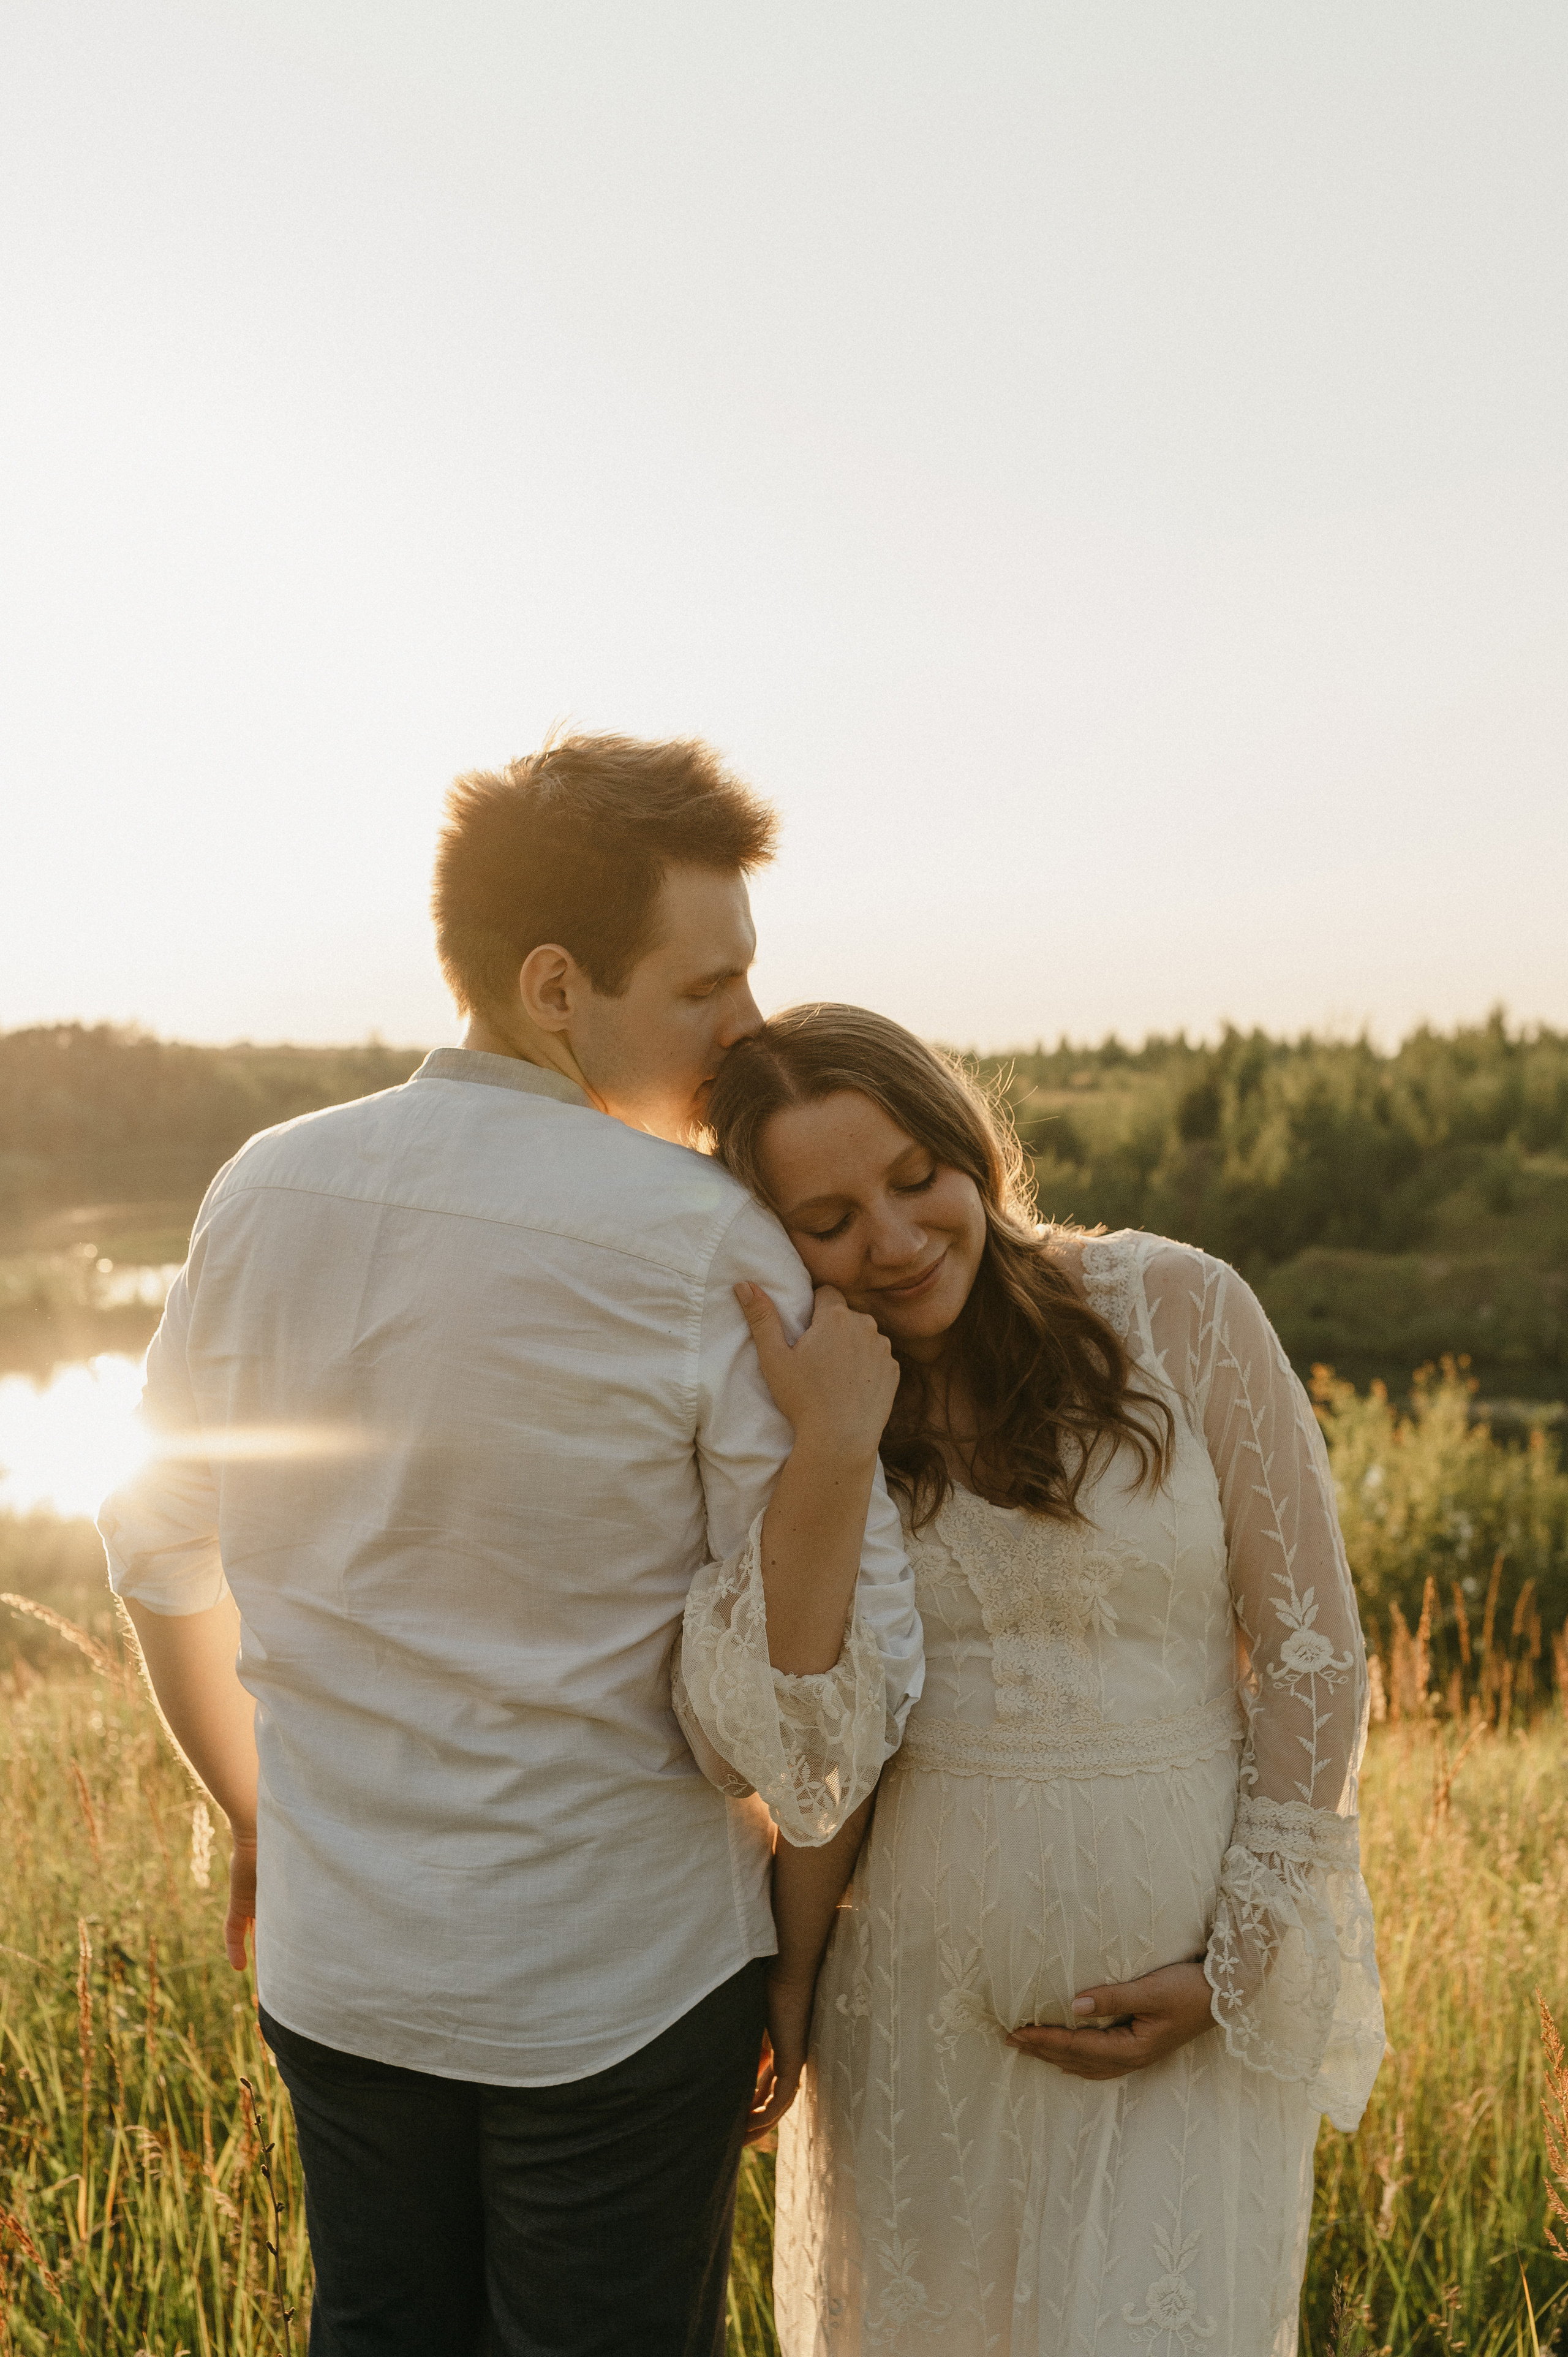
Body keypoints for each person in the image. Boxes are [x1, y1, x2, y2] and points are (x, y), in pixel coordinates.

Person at [97, 739, 923, 2357]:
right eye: (708, 985)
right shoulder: (712, 1243)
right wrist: (794, 1960)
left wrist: (258, 1819)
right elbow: (844, 1692)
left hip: (340, 1973)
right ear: (557, 986)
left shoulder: (265, 1187)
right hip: (619, 1991)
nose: (746, 1024)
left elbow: (157, 1547)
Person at [684, 1003, 1386, 2357]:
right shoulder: (803, 1406)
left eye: (912, 1177)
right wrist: (790, 1975)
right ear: (772, 1237)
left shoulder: (1179, 1306)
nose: (891, 1238)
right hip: (916, 2023)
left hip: (1186, 2007)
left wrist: (1234, 1967)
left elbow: (1313, 1653)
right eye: (828, 1220)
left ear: (967, 1148)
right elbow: (818, 1752)